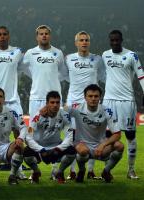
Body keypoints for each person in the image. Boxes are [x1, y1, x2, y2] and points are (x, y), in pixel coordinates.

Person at [0, 25, 27, 180]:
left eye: (5, 34)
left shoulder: (17, 52)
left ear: (9, 36)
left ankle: (18, 170)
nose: (2, 36)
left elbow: (22, 69)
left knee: (19, 134)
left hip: (13, 99)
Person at [22, 25, 67, 178]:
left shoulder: (58, 53)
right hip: (36, 98)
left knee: (55, 131)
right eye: (41, 34)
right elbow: (23, 69)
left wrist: (52, 80)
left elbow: (63, 73)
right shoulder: (30, 53)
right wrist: (35, 76)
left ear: (50, 35)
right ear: (37, 37)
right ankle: (35, 168)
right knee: (33, 133)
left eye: (47, 33)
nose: (44, 36)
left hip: (54, 98)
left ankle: (55, 169)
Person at [102, 30, 144, 179]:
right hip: (108, 101)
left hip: (127, 101)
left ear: (121, 40)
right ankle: (107, 170)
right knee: (108, 137)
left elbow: (141, 76)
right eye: (112, 40)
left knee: (130, 135)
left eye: (117, 40)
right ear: (109, 40)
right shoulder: (105, 55)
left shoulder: (131, 56)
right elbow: (101, 73)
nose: (114, 43)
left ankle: (131, 170)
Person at [64, 31, 105, 180]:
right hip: (74, 101)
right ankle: (72, 170)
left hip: (92, 101)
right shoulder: (68, 58)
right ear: (76, 43)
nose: (84, 42)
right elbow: (64, 76)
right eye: (81, 40)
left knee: (93, 135)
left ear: (89, 42)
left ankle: (91, 170)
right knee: (73, 136)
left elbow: (102, 76)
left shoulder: (97, 59)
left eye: (86, 40)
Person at [65, 84, 124, 183]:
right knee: (82, 151)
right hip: (83, 145)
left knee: (120, 146)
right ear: (85, 97)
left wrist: (103, 145)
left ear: (100, 98)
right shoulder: (78, 108)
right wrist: (47, 110)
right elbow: (61, 110)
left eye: (96, 96)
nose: (93, 99)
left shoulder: (107, 111)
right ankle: (82, 170)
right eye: (90, 96)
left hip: (100, 147)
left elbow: (117, 134)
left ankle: (106, 171)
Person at [24, 91, 75, 184]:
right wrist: (40, 149)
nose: (55, 105)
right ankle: (36, 171)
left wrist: (59, 148)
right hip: (40, 147)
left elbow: (70, 135)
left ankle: (60, 172)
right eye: (52, 102)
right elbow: (28, 136)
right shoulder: (38, 116)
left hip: (56, 146)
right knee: (26, 152)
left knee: (72, 151)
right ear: (47, 103)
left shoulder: (64, 115)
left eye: (57, 102)